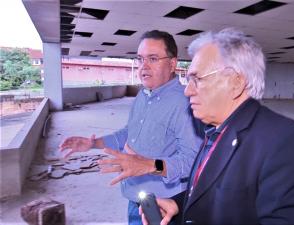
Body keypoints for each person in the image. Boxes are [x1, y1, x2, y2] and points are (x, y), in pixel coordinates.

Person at [140, 28, 294, 225]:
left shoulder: (283, 140)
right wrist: (178, 205)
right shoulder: (213, 129)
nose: (188, 91)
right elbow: (217, 192)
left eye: (197, 79)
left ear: (236, 82)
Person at [59, 30, 202, 225]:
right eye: (140, 59)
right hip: (135, 197)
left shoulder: (185, 103)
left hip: (162, 206)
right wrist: (94, 143)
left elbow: (192, 161)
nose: (144, 67)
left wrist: (150, 165)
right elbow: (129, 133)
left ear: (172, 63)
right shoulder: (144, 95)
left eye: (153, 58)